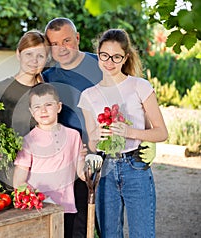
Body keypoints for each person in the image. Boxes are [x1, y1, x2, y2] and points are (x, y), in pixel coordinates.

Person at [78, 29, 168, 237]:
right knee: (110, 234)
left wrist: (130, 131)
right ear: (98, 54)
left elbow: (161, 132)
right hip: (105, 170)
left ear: (125, 57)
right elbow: (92, 144)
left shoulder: (140, 86)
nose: (110, 62)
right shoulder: (88, 96)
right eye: (105, 55)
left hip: (135, 167)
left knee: (142, 233)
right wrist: (96, 136)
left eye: (116, 57)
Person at [42, 17, 102, 237]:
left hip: (103, 155)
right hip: (69, 160)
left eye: (66, 40)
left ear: (77, 38)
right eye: (55, 44)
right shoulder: (47, 76)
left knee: (103, 221)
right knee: (72, 224)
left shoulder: (101, 65)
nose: (61, 48)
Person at [13, 83, 86, 238]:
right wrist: (33, 199)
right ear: (31, 112)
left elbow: (81, 173)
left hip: (65, 208)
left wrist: (91, 164)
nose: (43, 110)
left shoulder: (73, 136)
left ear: (59, 107)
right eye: (37, 107)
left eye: (48, 104)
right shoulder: (27, 140)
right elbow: (19, 181)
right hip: (38, 210)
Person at [0, 30, 50, 191]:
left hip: (37, 178)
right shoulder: (1, 89)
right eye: (29, 54)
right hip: (3, 176)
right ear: (18, 54)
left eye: (40, 56)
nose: (34, 61)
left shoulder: (47, 93)